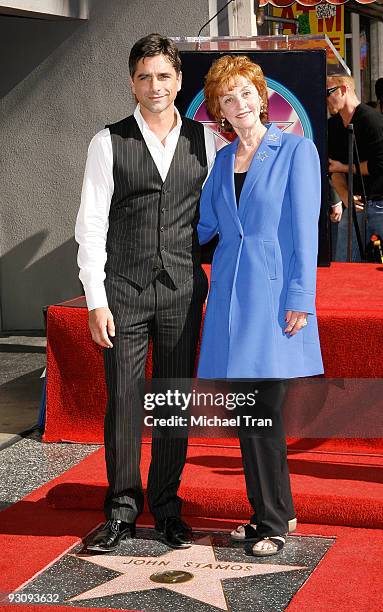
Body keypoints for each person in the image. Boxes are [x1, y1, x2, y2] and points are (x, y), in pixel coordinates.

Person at [75, 33, 216, 552]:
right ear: (131, 83)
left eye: (163, 76)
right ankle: (121, 511)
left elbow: (224, 212)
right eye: (143, 77)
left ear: (179, 80)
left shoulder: (208, 141)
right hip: (124, 294)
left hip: (182, 291)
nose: (154, 86)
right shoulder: (107, 141)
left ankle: (169, 509)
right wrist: (95, 297)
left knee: (174, 403)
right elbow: (90, 225)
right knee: (126, 403)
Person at [197, 55, 323, 556]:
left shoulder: (296, 150)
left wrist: (300, 296)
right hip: (230, 300)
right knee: (247, 413)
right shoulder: (223, 161)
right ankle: (273, 513)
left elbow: (304, 230)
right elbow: (204, 225)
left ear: (262, 96)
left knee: (263, 412)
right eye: (229, 97)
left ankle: (270, 521)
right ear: (219, 110)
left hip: (272, 300)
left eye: (246, 92)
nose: (240, 103)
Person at [327, 74, 383, 261]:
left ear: (343, 90)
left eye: (328, 93)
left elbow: (378, 165)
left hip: (380, 204)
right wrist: (344, 195)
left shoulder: (372, 120)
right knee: (344, 263)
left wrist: (343, 167)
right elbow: (331, 168)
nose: (325, 99)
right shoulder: (333, 126)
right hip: (355, 206)